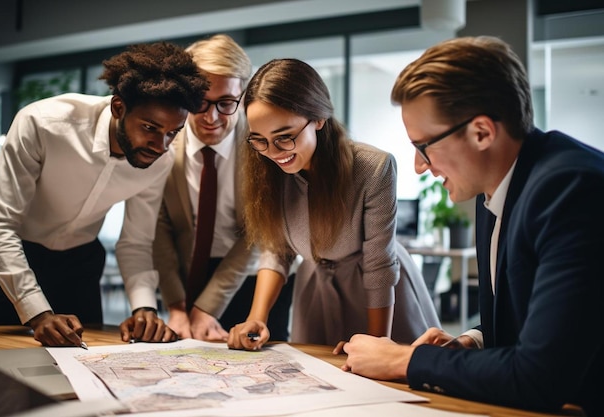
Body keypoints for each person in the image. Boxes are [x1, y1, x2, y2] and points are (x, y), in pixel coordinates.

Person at [335, 36, 603, 416]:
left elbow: (540, 378)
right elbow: (528, 321)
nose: (418, 165)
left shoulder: (571, 190)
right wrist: (471, 342)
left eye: (423, 146)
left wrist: (404, 361)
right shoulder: (493, 185)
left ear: (481, 132)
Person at [0, 41, 209, 347]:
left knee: (83, 370)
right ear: (118, 108)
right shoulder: (43, 125)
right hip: (12, 260)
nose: (161, 145)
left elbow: (136, 242)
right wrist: (38, 314)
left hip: (81, 266)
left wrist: (144, 308)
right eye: (150, 127)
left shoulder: (160, 159)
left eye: (172, 133)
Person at [226, 58, 440, 350]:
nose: (273, 153)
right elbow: (277, 251)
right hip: (316, 292)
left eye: (284, 138)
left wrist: (378, 345)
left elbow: (378, 264)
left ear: (318, 118)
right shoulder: (267, 169)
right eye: (259, 140)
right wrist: (256, 317)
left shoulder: (373, 168)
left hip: (379, 297)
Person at [153, 34, 293, 342]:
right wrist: (176, 306)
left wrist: (208, 307)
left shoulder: (263, 145)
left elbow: (257, 232)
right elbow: (159, 227)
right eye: (198, 101)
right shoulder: (162, 143)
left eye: (226, 103)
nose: (211, 117)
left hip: (257, 276)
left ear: (243, 96)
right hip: (190, 275)